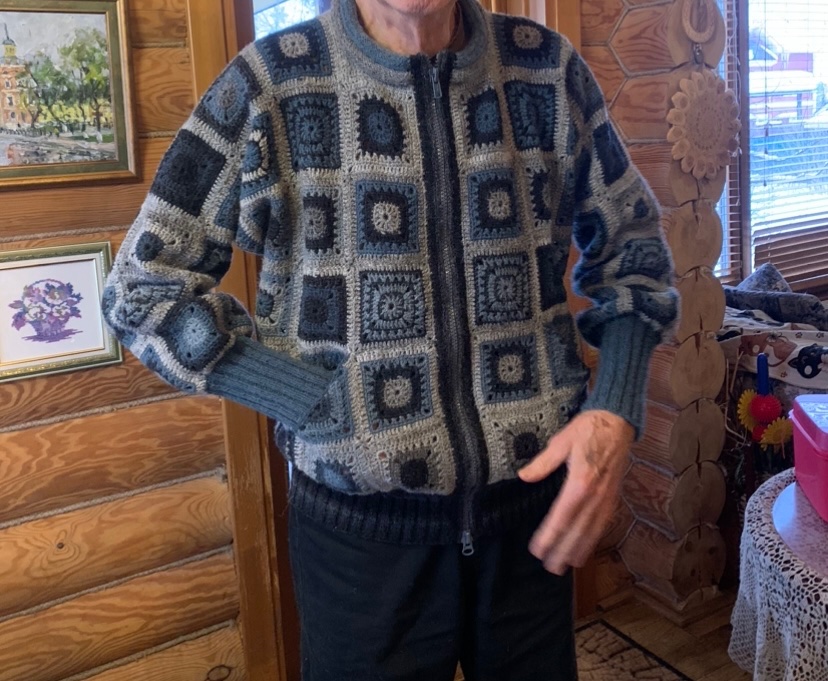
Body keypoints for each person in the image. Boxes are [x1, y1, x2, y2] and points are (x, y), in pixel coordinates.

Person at [102, 0, 678, 678]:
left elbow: (634, 250)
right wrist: (311, 399)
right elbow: (141, 291)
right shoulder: (269, 83)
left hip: (529, 523)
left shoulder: (548, 69)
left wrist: (614, 410)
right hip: (360, 544)